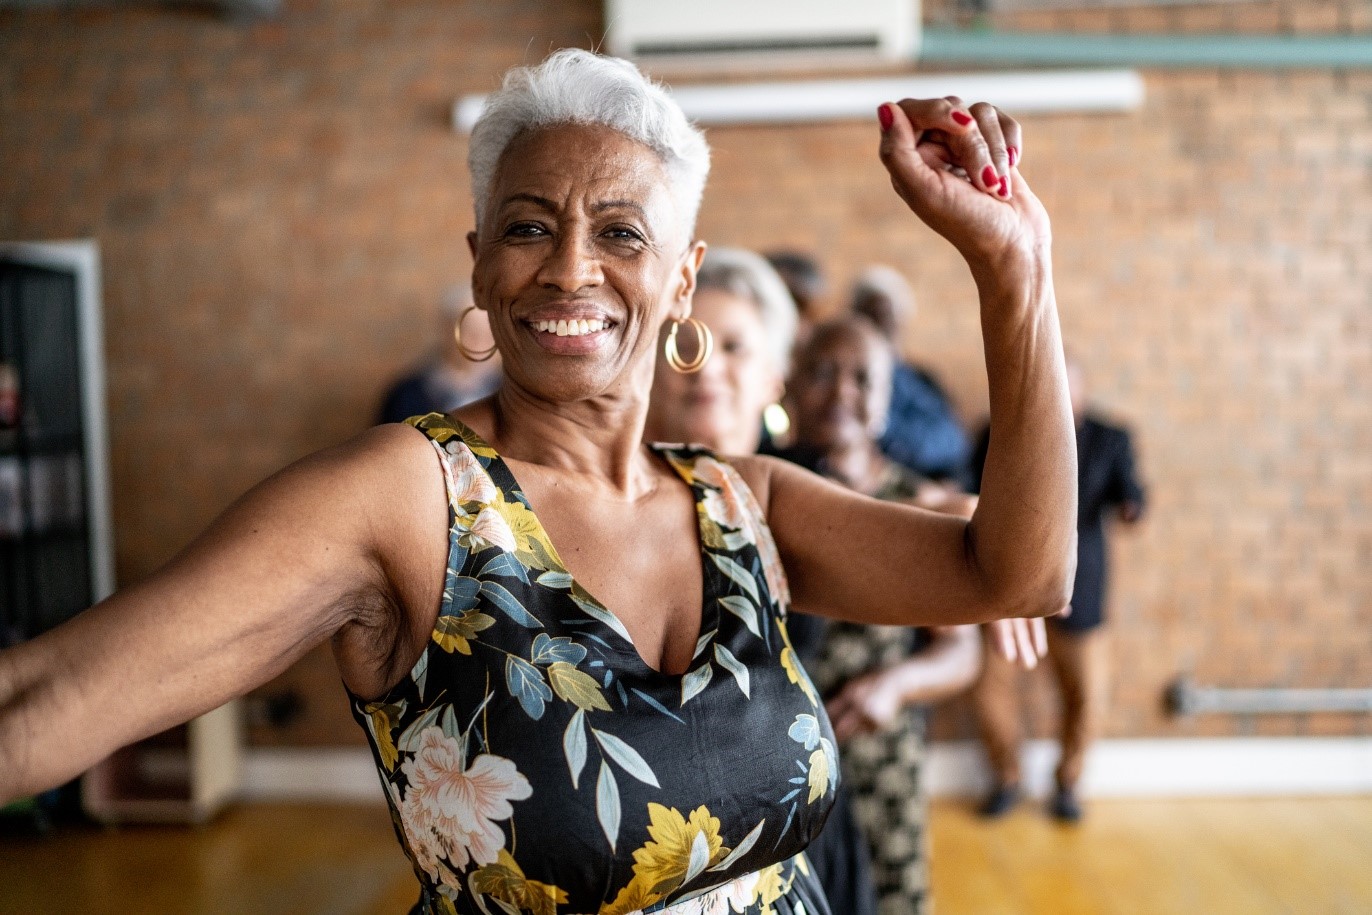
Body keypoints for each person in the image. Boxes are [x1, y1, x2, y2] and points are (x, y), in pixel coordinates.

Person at [0, 49, 1075, 915]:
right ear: (480, 264)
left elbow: (1018, 574)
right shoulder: (408, 499)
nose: (568, 268)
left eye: (619, 232)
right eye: (527, 227)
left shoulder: (743, 503)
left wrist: (1013, 269)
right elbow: (42, 702)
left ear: (681, 277)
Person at [646, 251, 880, 915]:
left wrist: (968, 514)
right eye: (687, 341)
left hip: (796, 815)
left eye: (736, 346)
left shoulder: (812, 487)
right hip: (652, 827)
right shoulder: (611, 499)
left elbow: (919, 507)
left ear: (775, 375)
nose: (708, 364)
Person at [778, 315, 985, 915]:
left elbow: (961, 652)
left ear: (887, 402)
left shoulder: (916, 505)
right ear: (790, 386)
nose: (842, 391)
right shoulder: (761, 483)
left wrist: (894, 686)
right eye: (822, 373)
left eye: (863, 378)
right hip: (785, 754)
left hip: (876, 750)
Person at [969, 358, 1146, 823]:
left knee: (1087, 697)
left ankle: (1068, 783)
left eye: (1067, 388)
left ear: (1083, 391)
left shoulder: (1111, 437)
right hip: (1011, 590)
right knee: (991, 689)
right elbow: (970, 489)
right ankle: (1007, 777)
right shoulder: (999, 430)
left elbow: (1132, 492)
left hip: (1080, 588)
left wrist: (1130, 506)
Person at [850, 265, 971, 482]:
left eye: (887, 318)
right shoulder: (847, 378)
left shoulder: (921, 380)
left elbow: (953, 441)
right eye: (871, 318)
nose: (881, 327)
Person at [378, 283, 503, 423]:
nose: (481, 341)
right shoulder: (407, 396)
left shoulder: (510, 393)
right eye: (469, 331)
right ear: (446, 331)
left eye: (489, 332)